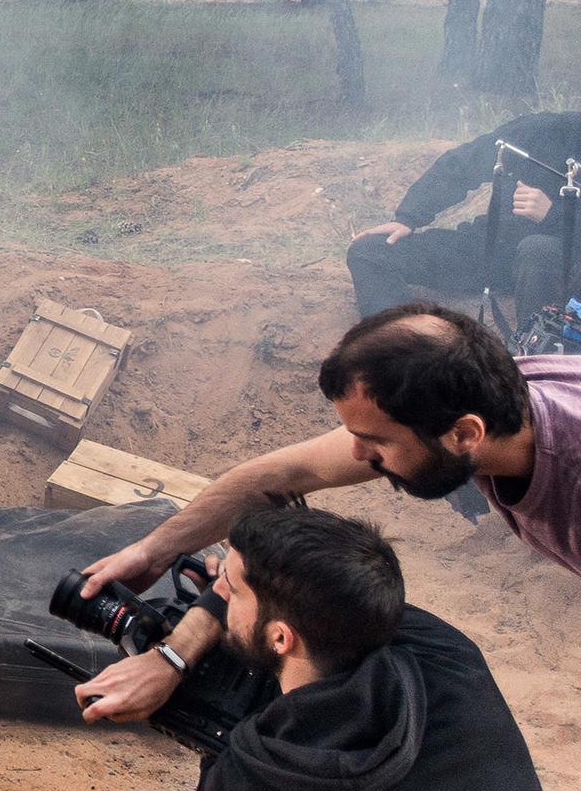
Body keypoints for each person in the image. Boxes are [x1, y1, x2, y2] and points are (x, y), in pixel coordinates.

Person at [71, 301, 578, 723]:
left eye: (375, 441)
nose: (357, 456)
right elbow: (286, 474)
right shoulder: (503, 397)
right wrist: (155, 551)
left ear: (466, 434)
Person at [148, 506, 546, 791]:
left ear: (281, 637)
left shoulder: (252, 779)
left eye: (229, 591)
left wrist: (175, 656)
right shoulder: (446, 651)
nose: (216, 592)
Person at [347, 110, 581, 320]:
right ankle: (402, 345)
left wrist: (554, 215)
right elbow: (464, 163)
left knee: (537, 250)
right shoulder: (548, 129)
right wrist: (408, 217)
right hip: (491, 252)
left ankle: (538, 358)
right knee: (369, 251)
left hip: (561, 267)